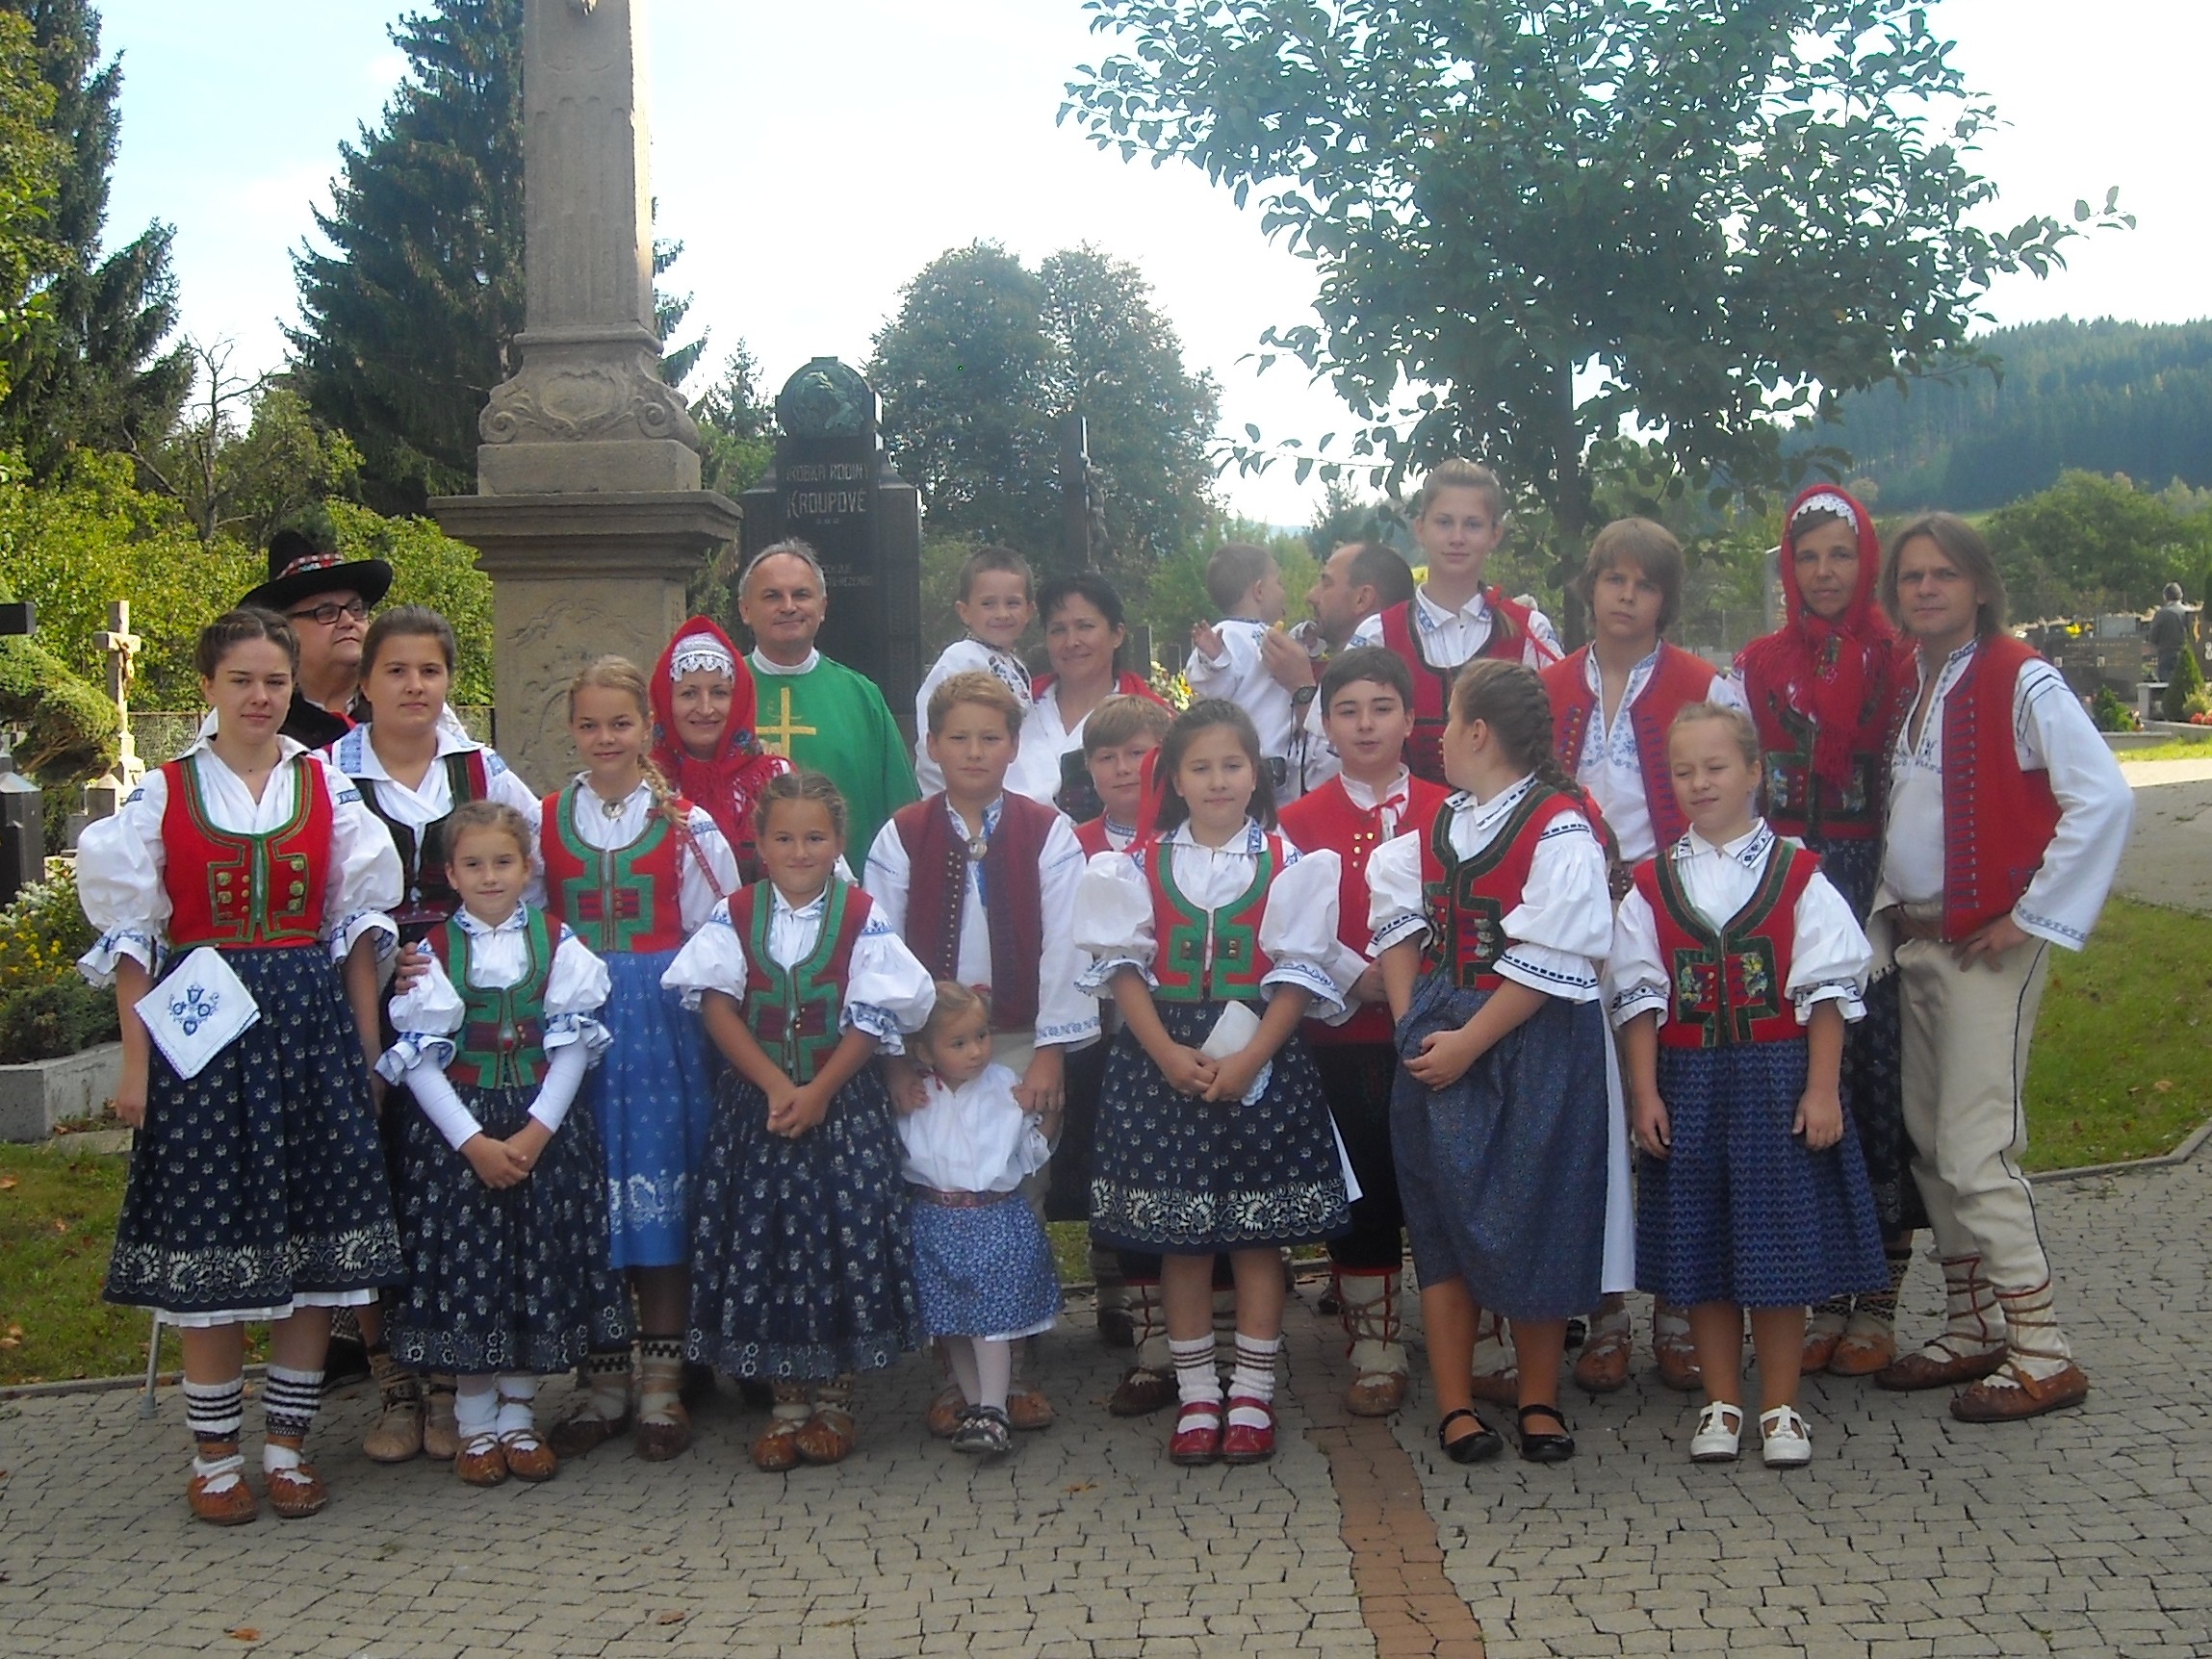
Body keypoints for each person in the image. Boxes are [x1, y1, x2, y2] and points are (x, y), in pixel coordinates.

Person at [75, 608, 404, 1525]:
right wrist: (137, 1065)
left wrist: (367, 1056)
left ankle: (287, 1445)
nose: (260, 698)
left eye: (274, 682)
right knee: (208, 1250)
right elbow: (134, 939)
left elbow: (357, 935)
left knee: (312, 1249)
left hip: (306, 1028)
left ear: (292, 688)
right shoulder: (165, 795)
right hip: (203, 1030)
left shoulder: (327, 787)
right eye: (241, 681)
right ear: (209, 688)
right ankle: (216, 1459)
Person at [1872, 514, 2132, 1422]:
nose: (1927, 588)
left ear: (1981, 585)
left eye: (1945, 574)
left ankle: (2043, 1348)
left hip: (1987, 946)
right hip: (1919, 941)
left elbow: (2102, 797)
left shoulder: (2024, 677)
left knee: (1978, 1147)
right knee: (1932, 1142)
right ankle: (1974, 1320)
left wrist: (2030, 916)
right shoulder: (1918, 679)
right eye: (1911, 576)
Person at [1608, 704, 1888, 1468]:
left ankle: (1782, 1409)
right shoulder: (1651, 884)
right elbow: (1638, 1000)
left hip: (1778, 1081)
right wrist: (1644, 1096)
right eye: (1683, 771)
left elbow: (1826, 993)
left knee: (1779, 1246)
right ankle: (1722, 1403)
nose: (1700, 783)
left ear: (1756, 772)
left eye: (1716, 767)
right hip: (1688, 1083)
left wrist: (1823, 1090)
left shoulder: (1800, 875)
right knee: (1702, 1249)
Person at [1077, 699, 1352, 1467]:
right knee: (1182, 1239)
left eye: (1232, 765)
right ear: (1175, 779)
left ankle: (1254, 1395)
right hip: (1161, 1060)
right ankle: (1198, 1393)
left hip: (1258, 1056)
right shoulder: (1134, 865)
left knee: (1259, 1237)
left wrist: (1252, 1058)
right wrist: (1164, 1049)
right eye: (1200, 767)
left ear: (1255, 773)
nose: (1218, 780)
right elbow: (1121, 969)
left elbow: (1297, 976)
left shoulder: (1291, 863)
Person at [1368, 660, 1610, 1468]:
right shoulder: (1441, 825)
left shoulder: (1560, 826)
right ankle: (1458, 1404)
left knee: (1534, 1211)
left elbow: (1553, 960)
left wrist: (1471, 1041)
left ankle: (1539, 1399)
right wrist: (1412, 1026)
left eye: (1446, 722)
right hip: (1442, 1040)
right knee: (1441, 1222)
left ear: (1477, 732)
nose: (1435, 737)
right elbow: (1398, 924)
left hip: (1530, 1045)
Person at [320, 604, 544, 1465]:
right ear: (367, 682)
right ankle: (395, 1386)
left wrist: (488, 951)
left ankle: (456, 1382)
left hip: (471, 1013)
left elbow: (534, 866)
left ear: (448, 682)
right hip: (365, 999)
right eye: (397, 671)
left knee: (448, 1195)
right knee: (375, 1187)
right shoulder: (329, 772)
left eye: (430, 671)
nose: (415, 686)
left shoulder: (479, 768)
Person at [663, 770, 935, 1470]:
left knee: (837, 1246)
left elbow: (874, 1015)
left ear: (838, 841)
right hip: (758, 1111)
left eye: (815, 837)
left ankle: (836, 1399)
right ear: (758, 843)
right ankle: (786, 1402)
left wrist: (818, 1091)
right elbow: (717, 1004)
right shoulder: (736, 913)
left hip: (840, 1111)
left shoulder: (861, 915)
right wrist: (779, 1084)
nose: (800, 850)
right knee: (772, 1246)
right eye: (783, 837)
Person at [1540, 519, 1745, 1395]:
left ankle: (1677, 1305)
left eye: (1645, 583)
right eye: (1612, 579)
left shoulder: (1707, 685)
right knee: (1593, 1110)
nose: (1626, 596)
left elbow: (1727, 794)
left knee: (1673, 1107)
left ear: (1667, 598)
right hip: (1577, 918)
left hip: (1676, 912)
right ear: (1589, 586)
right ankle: (1605, 1312)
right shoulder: (1545, 686)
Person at [865, 671, 1098, 1433]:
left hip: (1022, 1036)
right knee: (938, 1197)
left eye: (989, 737)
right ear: (932, 746)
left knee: (1014, 1194)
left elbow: (1067, 941)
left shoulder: (1046, 829)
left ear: (1014, 744)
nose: (974, 750)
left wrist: (1052, 1052)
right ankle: (951, 1372)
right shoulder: (902, 833)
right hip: (928, 1043)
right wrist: (899, 1055)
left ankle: (1016, 1367)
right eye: (958, 737)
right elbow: (881, 947)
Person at [377, 802, 628, 1487]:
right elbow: (421, 1059)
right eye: (474, 864)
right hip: (460, 1132)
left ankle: (519, 1418)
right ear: (451, 875)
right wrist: (472, 1143)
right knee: (472, 1275)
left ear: (528, 868)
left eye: (503, 862)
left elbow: (574, 1046)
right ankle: (474, 1421)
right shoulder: (429, 955)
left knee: (525, 1270)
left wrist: (536, 1132)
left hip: (537, 1126)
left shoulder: (559, 945)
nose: (490, 876)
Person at [1736, 484, 1925, 1379]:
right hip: (1793, 887)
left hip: (1872, 887)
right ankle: (1816, 1286)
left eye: (1840, 556)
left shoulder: (1900, 659)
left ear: (1866, 562)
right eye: (1807, 556)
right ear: (1788, 564)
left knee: (1873, 1079)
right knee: (1803, 1080)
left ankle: (1880, 1291)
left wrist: (1892, 900)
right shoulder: (1761, 662)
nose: (1823, 573)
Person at [537, 656, 740, 1463]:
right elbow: (523, 919)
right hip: (575, 1028)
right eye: (589, 724)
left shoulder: (689, 826)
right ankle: (602, 1381)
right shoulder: (545, 817)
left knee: (661, 1199)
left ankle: (663, 1380)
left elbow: (715, 936)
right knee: (595, 1202)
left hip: (661, 1029)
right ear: (572, 731)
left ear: (649, 731)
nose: (605, 738)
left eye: (620, 724)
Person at [1277, 647, 1450, 1417]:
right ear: (1325, 724)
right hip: (1345, 1041)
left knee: (1452, 1181)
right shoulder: (1298, 821)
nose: (1365, 724)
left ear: (1410, 718)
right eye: (1346, 710)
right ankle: (1376, 1344)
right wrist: (1357, 974)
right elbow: (1283, 925)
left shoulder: (1453, 809)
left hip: (1450, 1037)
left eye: (1381, 707)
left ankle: (1479, 1335)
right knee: (1367, 1181)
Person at [1052, 695, 1174, 1398]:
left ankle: (1196, 1314)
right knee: (1109, 1161)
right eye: (1108, 756)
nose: (1124, 767)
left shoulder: (1192, 833)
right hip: (1100, 1031)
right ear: (1088, 769)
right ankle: (1114, 1285)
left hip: (1184, 1027)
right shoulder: (1073, 843)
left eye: (1138, 752)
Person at [893, 982, 1063, 1456]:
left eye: (982, 1036)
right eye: (960, 1043)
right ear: (924, 1050)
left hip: (993, 1217)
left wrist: (1046, 1119)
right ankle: (975, 1406)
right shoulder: (916, 1095)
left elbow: (1027, 1151)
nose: (976, 1052)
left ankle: (994, 1408)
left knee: (991, 1320)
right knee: (954, 1324)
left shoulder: (1005, 1087)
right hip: (935, 1218)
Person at [1348, 460, 1562, 784]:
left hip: (1510, 827)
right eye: (1444, 522)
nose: (1457, 537)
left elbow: (1558, 741)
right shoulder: (1377, 636)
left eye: (1473, 525)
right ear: (1420, 529)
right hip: (1403, 826)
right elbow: (1336, 744)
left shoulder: (1529, 631)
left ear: (1495, 534)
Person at [737, 539, 919, 859]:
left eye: (801, 594)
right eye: (772, 596)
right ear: (745, 610)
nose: (788, 606)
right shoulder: (721, 694)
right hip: (742, 895)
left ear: (822, 607)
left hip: (847, 897)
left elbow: (902, 814)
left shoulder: (862, 696)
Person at [650, 615, 791, 884]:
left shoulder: (774, 781)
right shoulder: (645, 784)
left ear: (739, 700)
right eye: (689, 694)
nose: (705, 708)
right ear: (666, 702)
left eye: (719, 693)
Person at [913, 547, 1056, 803]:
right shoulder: (958, 662)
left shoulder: (1016, 667)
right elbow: (934, 740)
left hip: (1027, 803)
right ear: (964, 611)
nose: (1002, 614)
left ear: (1029, 611)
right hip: (976, 805)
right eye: (988, 604)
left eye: (1012, 603)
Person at [1028, 573, 1172, 821]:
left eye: (1085, 626)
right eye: (1058, 630)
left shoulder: (1157, 719)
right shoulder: (1016, 708)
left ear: (1117, 634)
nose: (1072, 642)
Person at [238, 524, 394, 749]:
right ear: (285, 631)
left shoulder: (402, 704)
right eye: (326, 612)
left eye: (356, 609)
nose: (348, 621)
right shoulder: (256, 718)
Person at [1281, 540, 1418, 795]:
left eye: (1326, 582)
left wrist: (1300, 687)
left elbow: (1327, 768)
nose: (1311, 595)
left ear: (1362, 598)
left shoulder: (1398, 674)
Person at [1187, 542, 1298, 797]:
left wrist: (1307, 637)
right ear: (1259, 590)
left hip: (1282, 763)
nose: (1284, 592)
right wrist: (1214, 661)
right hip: (1251, 760)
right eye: (1278, 583)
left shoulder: (1268, 633)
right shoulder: (1227, 635)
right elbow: (1213, 692)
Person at [2149, 581, 2192, 682]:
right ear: (2181, 595)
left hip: (2167, 656)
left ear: (2165, 597)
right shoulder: (2190, 612)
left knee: (2167, 688)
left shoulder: (2162, 613)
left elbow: (2153, 637)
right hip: (2187, 655)